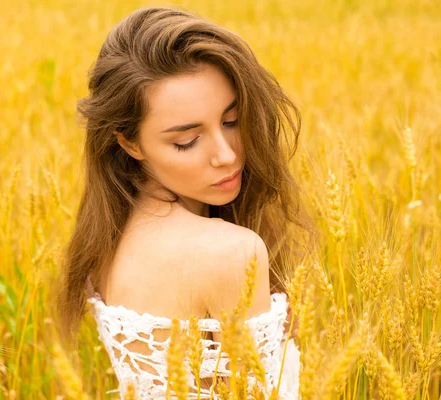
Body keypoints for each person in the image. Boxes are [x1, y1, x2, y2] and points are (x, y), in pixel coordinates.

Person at [56, 5, 316, 399]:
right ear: (129, 142)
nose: (226, 154)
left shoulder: (105, 240)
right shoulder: (231, 251)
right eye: (186, 141)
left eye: (231, 121)